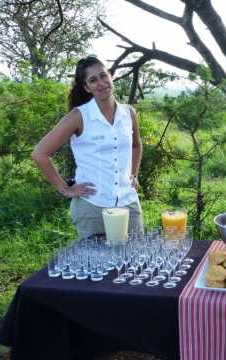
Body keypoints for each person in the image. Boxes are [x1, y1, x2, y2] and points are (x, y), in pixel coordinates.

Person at [31, 56, 143, 239]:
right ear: (86, 87)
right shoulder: (78, 116)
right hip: (92, 207)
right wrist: (65, 189)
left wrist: (134, 174)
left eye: (103, 76)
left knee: (135, 263)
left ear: (111, 76)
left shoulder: (128, 113)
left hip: (127, 203)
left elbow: (136, 146)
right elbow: (40, 154)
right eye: (93, 80)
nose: (101, 83)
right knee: (97, 267)